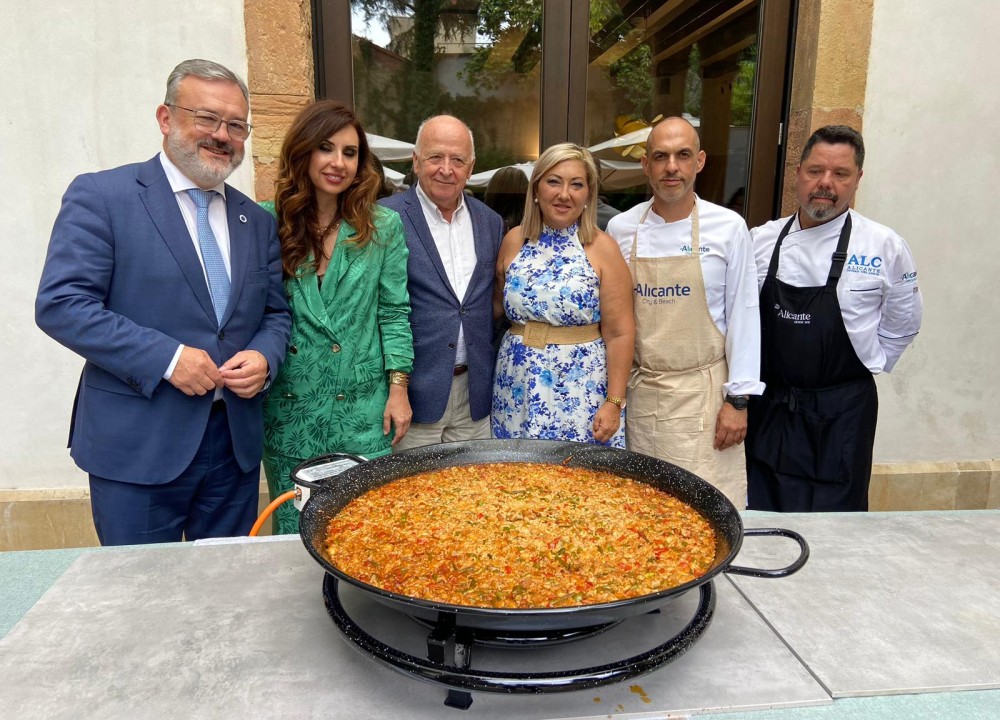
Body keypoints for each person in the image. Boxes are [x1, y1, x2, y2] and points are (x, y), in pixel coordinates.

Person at [35, 59, 291, 545]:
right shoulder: (103, 195)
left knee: (222, 591)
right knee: (138, 601)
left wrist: (265, 356)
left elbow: (274, 313)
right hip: (138, 446)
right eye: (207, 118)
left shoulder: (254, 221)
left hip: (232, 446)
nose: (222, 135)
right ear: (166, 118)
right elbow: (62, 303)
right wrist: (167, 359)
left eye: (236, 125)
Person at [746, 125, 923, 512]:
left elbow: (903, 323)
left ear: (857, 179)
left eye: (840, 174)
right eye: (815, 171)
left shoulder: (883, 246)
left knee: (836, 524)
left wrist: (861, 367)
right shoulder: (761, 241)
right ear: (798, 172)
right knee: (761, 511)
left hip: (842, 415)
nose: (825, 183)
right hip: (771, 408)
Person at [258, 101, 413, 533]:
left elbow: (394, 312)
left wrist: (398, 388)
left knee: (364, 531)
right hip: (292, 408)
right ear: (303, 151)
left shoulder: (381, 226)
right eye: (326, 148)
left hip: (364, 411)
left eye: (350, 152)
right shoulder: (266, 221)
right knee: (294, 531)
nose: (338, 162)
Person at [606, 117, 763, 507]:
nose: (671, 167)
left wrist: (738, 401)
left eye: (682, 155)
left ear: (700, 161)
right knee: (643, 508)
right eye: (660, 156)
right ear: (646, 166)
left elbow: (745, 315)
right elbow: (611, 320)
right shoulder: (622, 229)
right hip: (641, 395)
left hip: (705, 399)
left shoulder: (728, 227)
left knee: (706, 510)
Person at [492, 143, 634, 446]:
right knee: (512, 479)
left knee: (579, 481)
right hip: (516, 382)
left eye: (577, 184)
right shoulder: (514, 241)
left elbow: (620, 333)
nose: (564, 194)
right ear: (536, 188)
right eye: (554, 181)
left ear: (588, 195)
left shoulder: (603, 248)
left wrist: (614, 401)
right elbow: (494, 306)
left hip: (580, 388)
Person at [379, 115, 504, 450]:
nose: (446, 169)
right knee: (414, 498)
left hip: (475, 395)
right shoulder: (383, 218)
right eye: (435, 157)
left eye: (458, 160)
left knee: (473, 494)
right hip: (413, 397)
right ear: (416, 162)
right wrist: (396, 388)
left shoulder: (490, 222)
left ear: (471, 167)